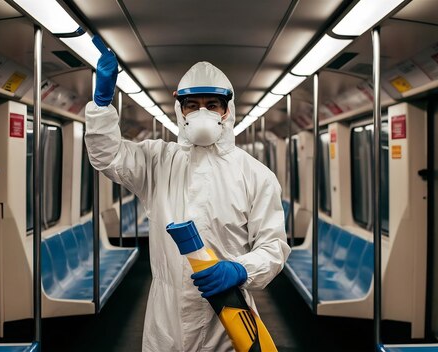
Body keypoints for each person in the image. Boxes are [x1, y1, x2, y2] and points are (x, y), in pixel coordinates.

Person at [84, 41, 290, 352]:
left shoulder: (255, 174)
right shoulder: (158, 161)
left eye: (212, 104)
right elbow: (107, 156)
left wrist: (241, 269)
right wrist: (101, 106)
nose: (202, 112)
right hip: (166, 320)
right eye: (193, 105)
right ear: (180, 111)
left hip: (228, 317)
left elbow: (274, 246)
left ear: (227, 111)